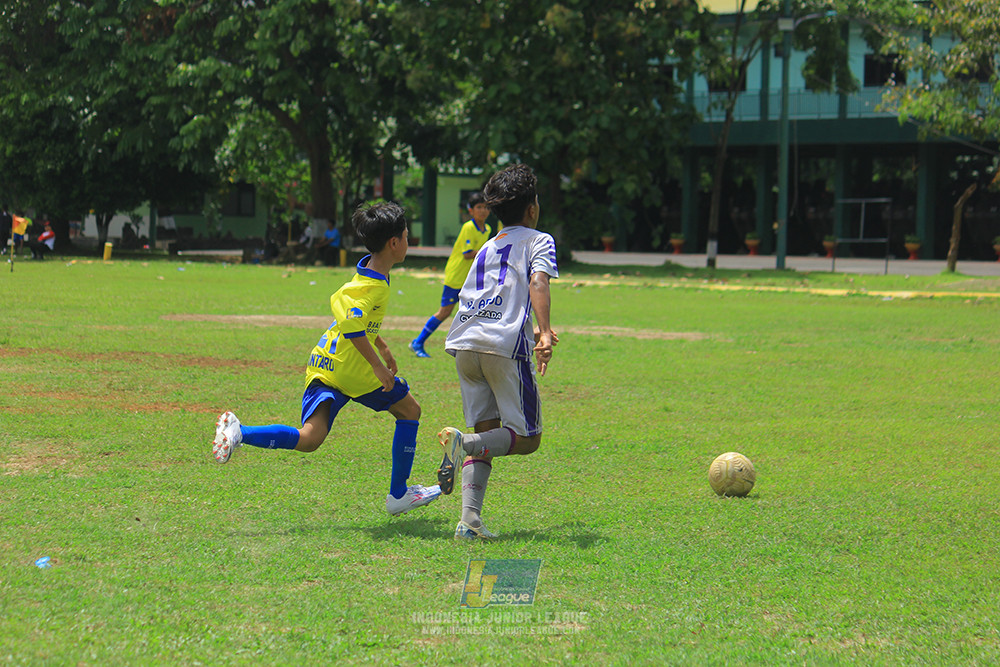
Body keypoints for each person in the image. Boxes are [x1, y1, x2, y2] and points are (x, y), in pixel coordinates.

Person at [211, 201, 441, 516]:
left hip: (325, 363)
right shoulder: (373, 286)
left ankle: (240, 432)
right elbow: (350, 320)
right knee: (410, 409)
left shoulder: (368, 273)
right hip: (353, 370)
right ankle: (399, 495)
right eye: (406, 235)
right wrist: (376, 365)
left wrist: (382, 347)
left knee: (310, 438)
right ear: (394, 243)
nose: (408, 241)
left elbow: (356, 320)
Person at [435, 164, 558, 540]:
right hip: (501, 345)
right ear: (533, 208)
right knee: (528, 437)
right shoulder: (539, 240)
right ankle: (463, 444)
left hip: (464, 344)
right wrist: (544, 330)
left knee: (488, 433)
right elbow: (537, 280)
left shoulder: (487, 246)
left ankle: (469, 521)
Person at [409, 192, 491, 358]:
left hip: (470, 279)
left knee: (473, 311)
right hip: (456, 276)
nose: (483, 210)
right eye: (479, 207)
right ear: (471, 210)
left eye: (486, 207)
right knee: (445, 312)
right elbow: (468, 253)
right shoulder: (469, 227)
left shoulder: (487, 229)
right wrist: (490, 253)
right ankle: (418, 341)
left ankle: (464, 347)